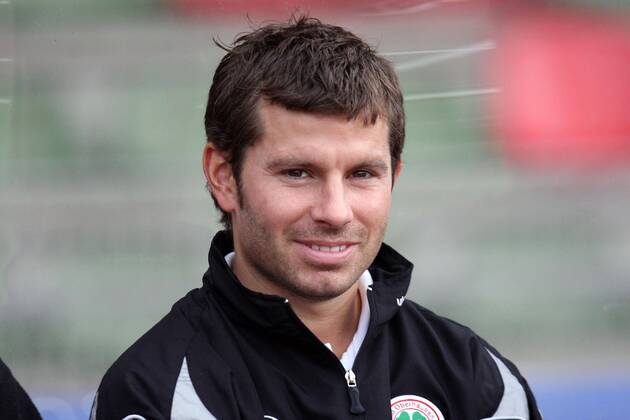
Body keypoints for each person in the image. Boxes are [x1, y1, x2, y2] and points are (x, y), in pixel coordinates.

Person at [92, 16, 542, 420]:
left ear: (394, 178)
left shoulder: (477, 381)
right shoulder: (156, 396)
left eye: (362, 174)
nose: (335, 211)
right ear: (224, 177)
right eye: (298, 173)